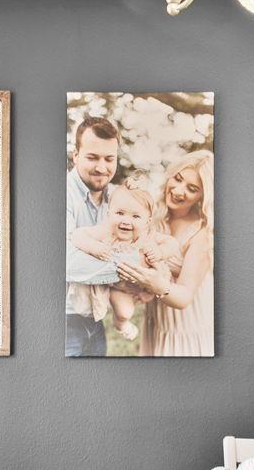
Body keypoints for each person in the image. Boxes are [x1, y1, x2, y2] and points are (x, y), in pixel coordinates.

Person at [140, 150, 215, 356]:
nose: (179, 191)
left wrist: (152, 283)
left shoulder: (200, 233)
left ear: (202, 196)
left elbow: (184, 297)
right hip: (158, 322)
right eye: (178, 179)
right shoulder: (155, 216)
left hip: (186, 329)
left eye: (192, 189)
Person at [69, 185, 166, 340]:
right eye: (120, 213)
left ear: (147, 222)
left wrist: (160, 252)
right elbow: (77, 235)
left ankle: (137, 301)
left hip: (144, 284)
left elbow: (172, 244)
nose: (126, 221)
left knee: (154, 285)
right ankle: (121, 325)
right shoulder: (106, 231)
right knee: (124, 312)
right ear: (109, 214)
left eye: (136, 216)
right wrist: (94, 247)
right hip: (118, 287)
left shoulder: (147, 236)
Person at [65, 115, 120, 356]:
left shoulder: (117, 198)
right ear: (75, 155)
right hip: (63, 321)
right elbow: (66, 261)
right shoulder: (63, 194)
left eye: (109, 159)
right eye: (92, 157)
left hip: (96, 320)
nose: (102, 167)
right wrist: (129, 270)